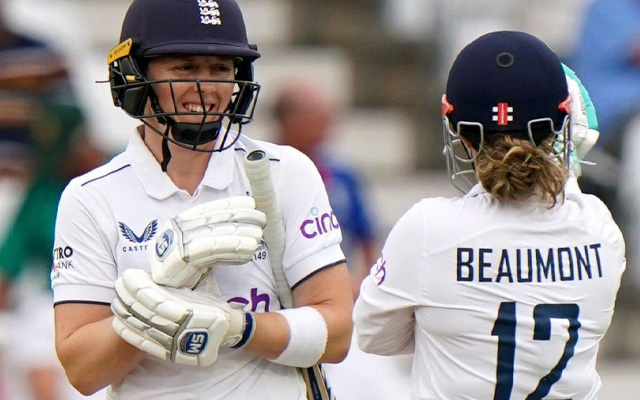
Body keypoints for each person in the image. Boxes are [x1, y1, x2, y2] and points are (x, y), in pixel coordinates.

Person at [52, 0, 353, 399]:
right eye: (185, 68)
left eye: (221, 69)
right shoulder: (92, 197)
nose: (207, 88)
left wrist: (237, 327)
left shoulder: (284, 172)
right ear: (134, 73)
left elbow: (337, 336)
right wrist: (158, 304)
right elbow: (83, 372)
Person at [354, 31, 626, 400]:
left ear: (461, 135)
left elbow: (375, 337)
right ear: (564, 126)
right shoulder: (599, 227)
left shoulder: (429, 227)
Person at [272, 83, 377, 298]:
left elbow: (367, 236)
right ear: (287, 120)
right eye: (315, 118)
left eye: (327, 118)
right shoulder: (261, 171)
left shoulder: (343, 176)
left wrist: (366, 284)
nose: (326, 126)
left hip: (333, 292)